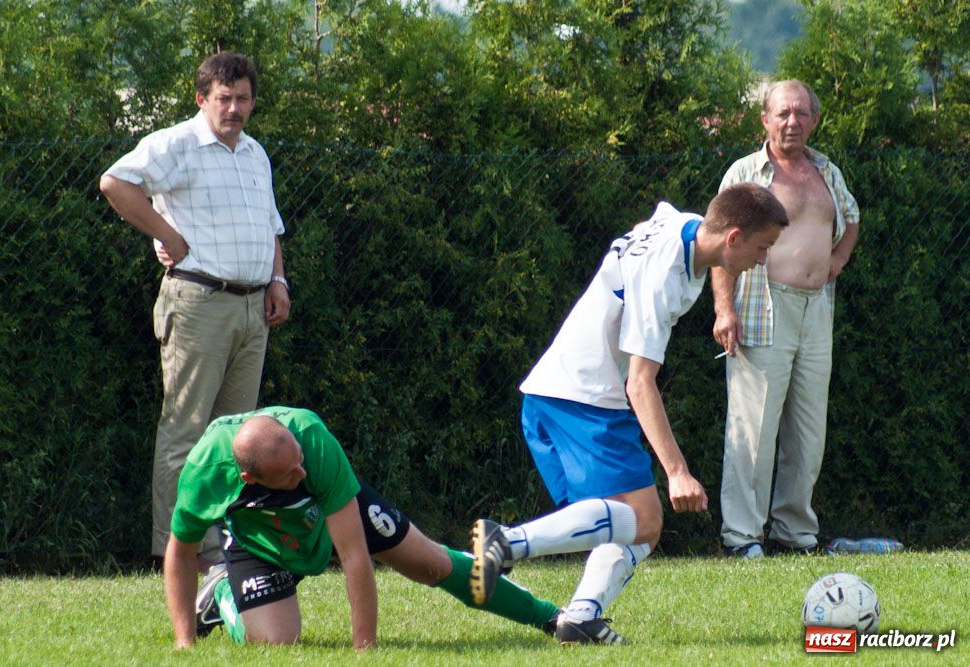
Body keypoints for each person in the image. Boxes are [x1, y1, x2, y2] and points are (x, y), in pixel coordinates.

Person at [469, 184, 789, 645]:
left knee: (627, 523)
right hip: (584, 398)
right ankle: (506, 542)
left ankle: (580, 618)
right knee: (644, 519)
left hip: (556, 391)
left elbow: (650, 222)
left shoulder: (683, 224)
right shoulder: (662, 281)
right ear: (734, 237)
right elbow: (639, 383)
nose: (763, 261)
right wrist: (677, 471)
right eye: (763, 248)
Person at [99, 52, 291, 568]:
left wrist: (278, 281)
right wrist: (167, 236)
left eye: (243, 98)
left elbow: (271, 226)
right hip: (198, 303)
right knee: (186, 431)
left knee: (239, 437)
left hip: (254, 308)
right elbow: (115, 182)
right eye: (223, 98)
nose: (234, 108)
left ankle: (226, 547)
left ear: (253, 101)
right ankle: (178, 552)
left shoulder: (255, 153)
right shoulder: (177, 143)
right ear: (202, 98)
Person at [165, 406, 561, 649]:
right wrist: (184, 644)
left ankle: (553, 618)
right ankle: (222, 594)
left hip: (327, 517)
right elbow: (180, 552)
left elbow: (355, 556)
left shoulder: (312, 439)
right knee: (276, 642)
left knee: (431, 565)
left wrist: (364, 650)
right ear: (250, 478)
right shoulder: (205, 473)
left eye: (300, 459)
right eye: (291, 473)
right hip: (261, 541)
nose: (302, 472)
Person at [712, 80, 860, 558]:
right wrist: (723, 308)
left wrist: (836, 261)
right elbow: (719, 246)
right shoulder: (747, 172)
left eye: (800, 113)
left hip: (817, 311)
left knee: (807, 429)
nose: (792, 122)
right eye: (782, 114)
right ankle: (741, 537)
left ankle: (794, 533)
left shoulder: (826, 169)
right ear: (765, 120)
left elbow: (852, 219)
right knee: (752, 428)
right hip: (761, 307)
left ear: (814, 120)